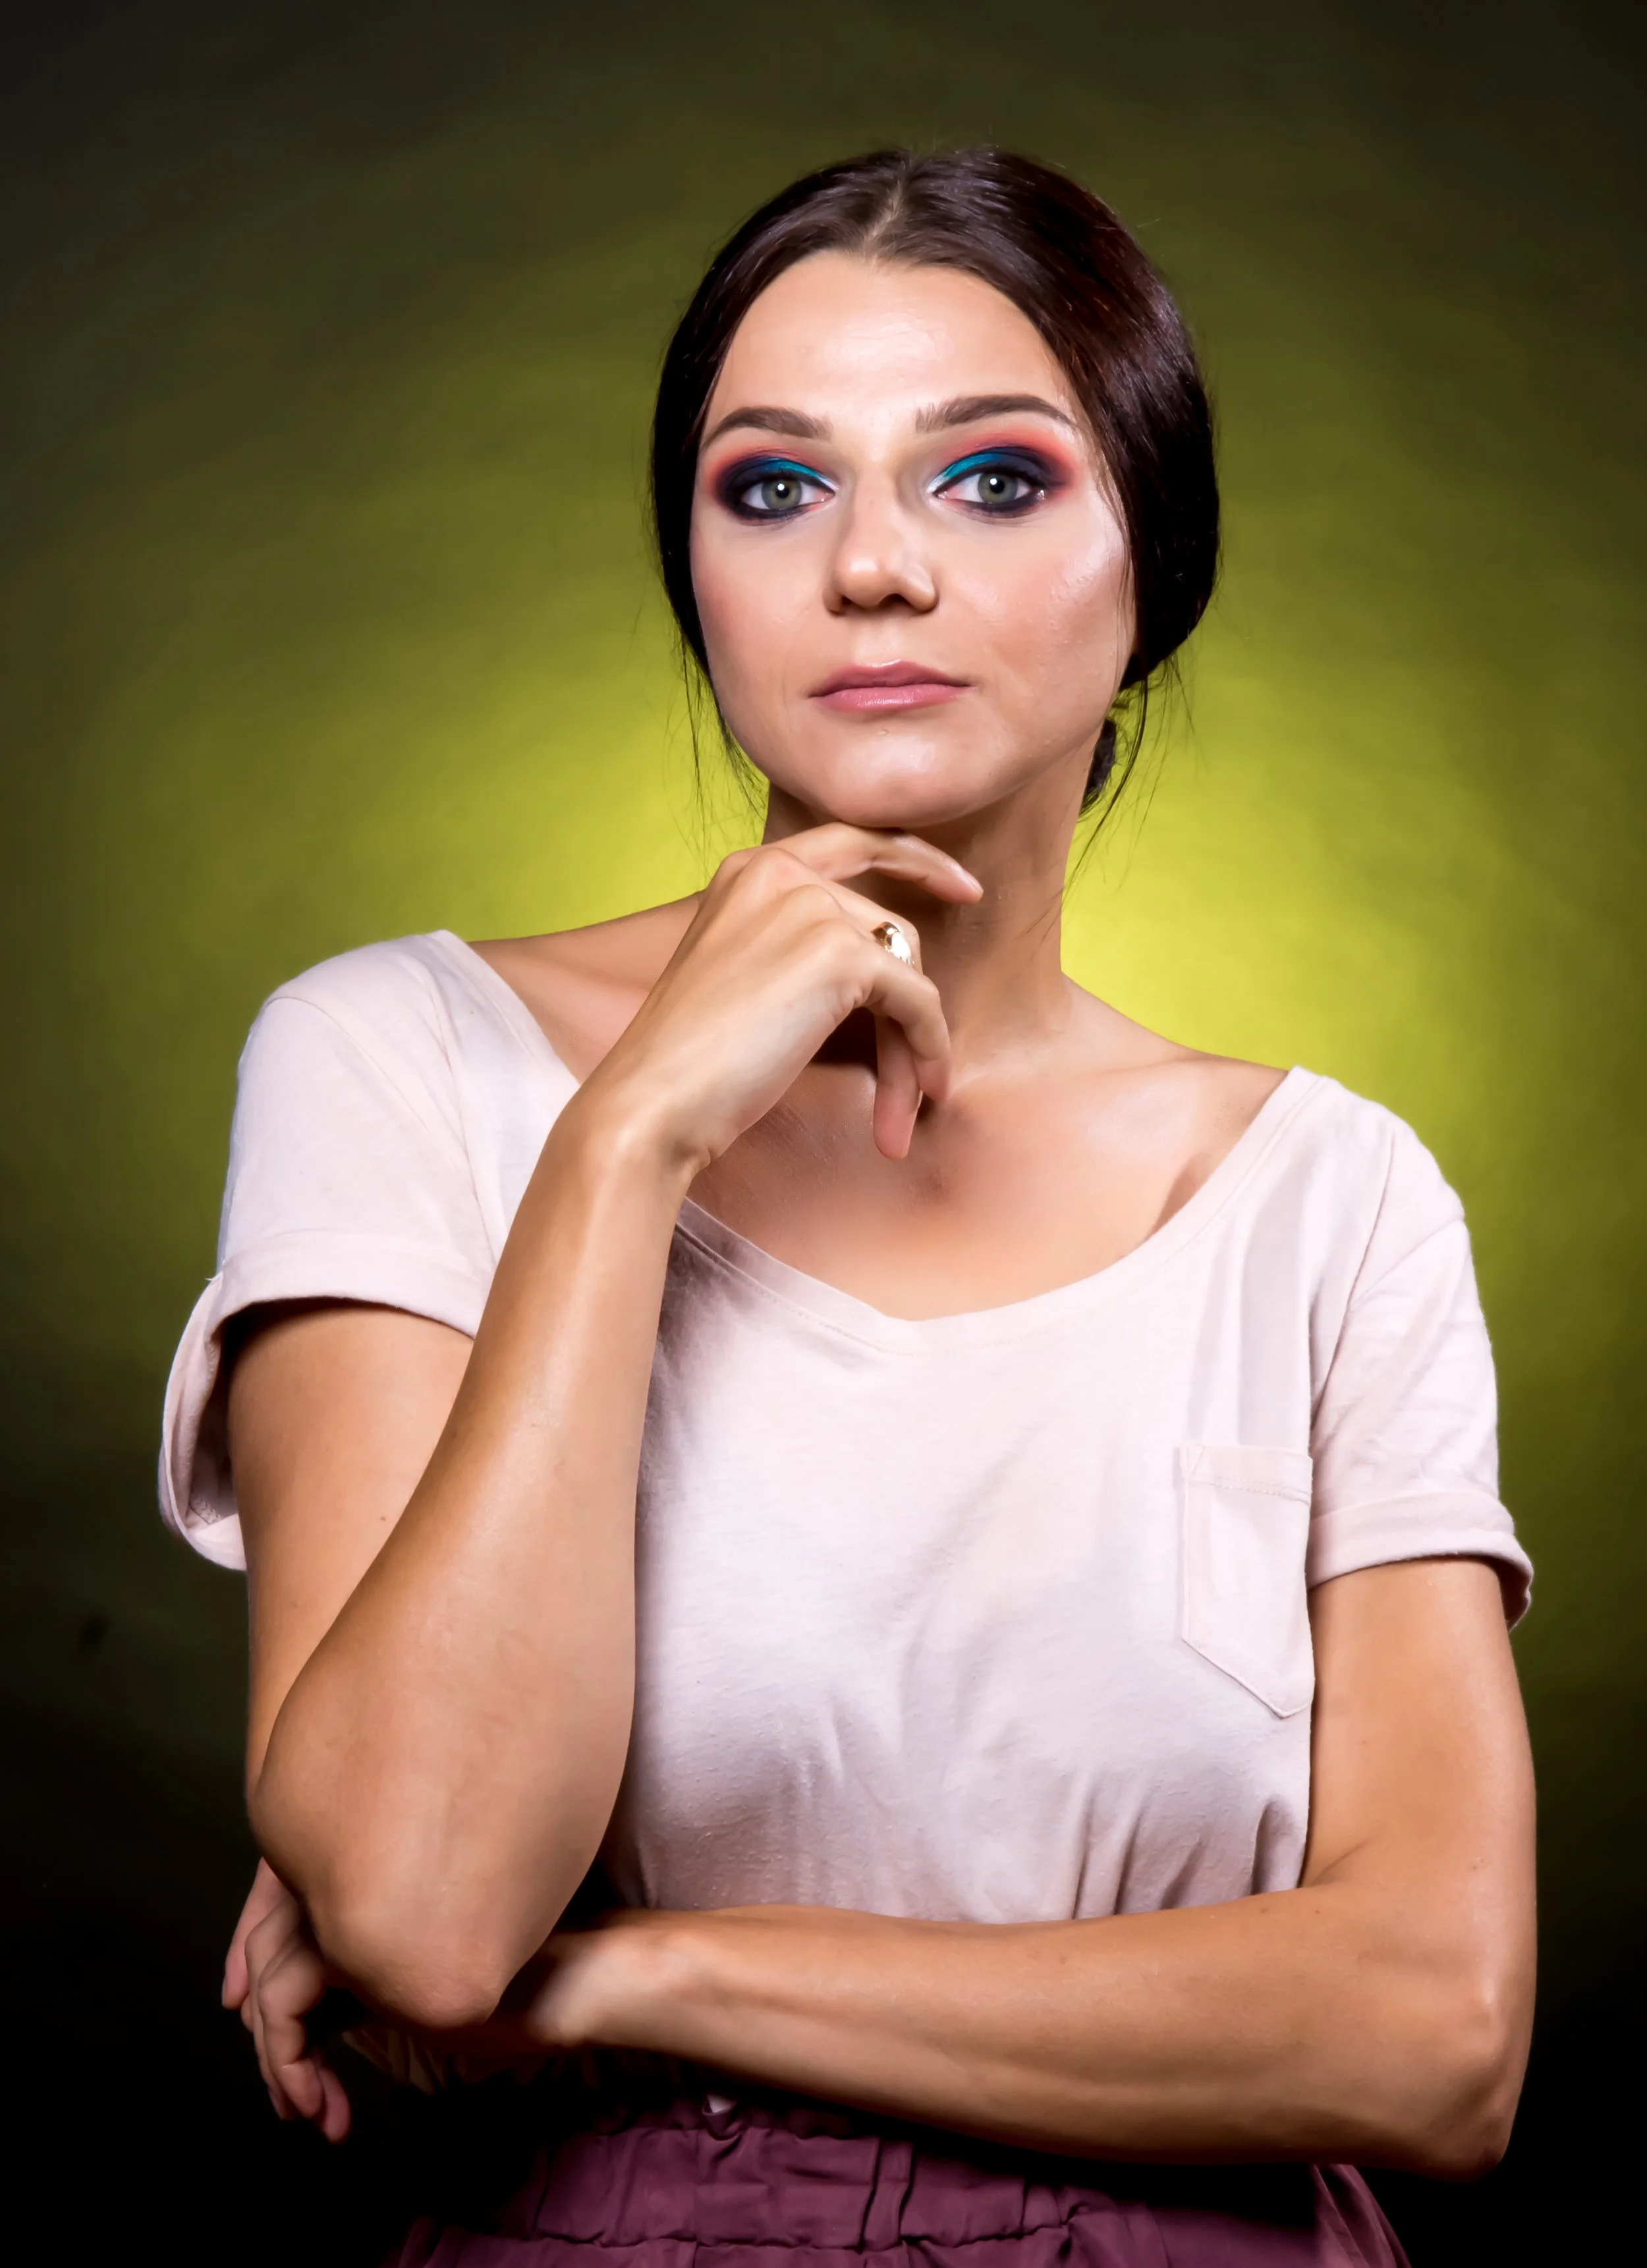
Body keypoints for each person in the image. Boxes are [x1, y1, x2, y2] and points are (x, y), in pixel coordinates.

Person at [159, 148, 1536, 2267]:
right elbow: (427, 1907)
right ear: (692, 576)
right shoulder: (397, 1056)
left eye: (988, 479)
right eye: (773, 488)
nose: (872, 567)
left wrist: (643, 1977)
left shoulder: (1325, 1199)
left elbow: (1436, 2035)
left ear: (1147, 558)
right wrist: (626, 1145)